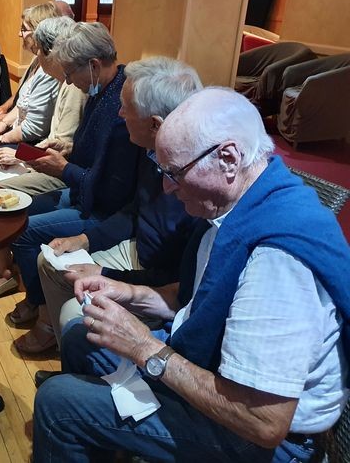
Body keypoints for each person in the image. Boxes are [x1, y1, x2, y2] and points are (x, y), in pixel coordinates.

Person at [33, 87, 350, 463]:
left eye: (174, 173)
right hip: (221, 380)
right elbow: (198, 300)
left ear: (228, 158)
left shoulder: (277, 261)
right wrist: (129, 294)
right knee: (78, 337)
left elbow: (263, 422)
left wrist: (143, 347)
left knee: (58, 404)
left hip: (261, 439)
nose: (167, 187)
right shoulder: (244, 204)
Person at [29, 56, 201, 358]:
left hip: (158, 282)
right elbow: (135, 210)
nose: (119, 114)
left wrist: (105, 272)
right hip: (139, 253)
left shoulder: (195, 185)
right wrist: (84, 240)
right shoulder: (151, 150)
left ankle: (89, 363)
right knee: (50, 260)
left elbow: (176, 283)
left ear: (155, 124)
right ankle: (70, 352)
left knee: (75, 313)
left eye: (127, 108)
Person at [0, 23, 141, 309]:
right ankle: (5, 272)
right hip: (80, 192)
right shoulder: (102, 90)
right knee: (6, 210)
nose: (69, 82)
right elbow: (93, 154)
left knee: (22, 231)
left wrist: (63, 169)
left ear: (94, 65)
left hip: (100, 210)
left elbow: (113, 192)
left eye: (70, 73)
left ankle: (39, 308)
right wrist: (68, 149)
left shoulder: (122, 106)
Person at [0, 15, 86, 195]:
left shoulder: (74, 86)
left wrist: (21, 156)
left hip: (59, 175)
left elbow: (62, 151)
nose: (37, 55)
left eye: (39, 50)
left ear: (51, 54)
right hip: (46, 162)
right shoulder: (63, 80)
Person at [0, 2, 61, 164]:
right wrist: (4, 123)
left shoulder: (50, 70)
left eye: (24, 29)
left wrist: (2, 138)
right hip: (18, 129)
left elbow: (35, 128)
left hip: (33, 142)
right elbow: (21, 105)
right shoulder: (36, 60)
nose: (19, 34)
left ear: (39, 33)